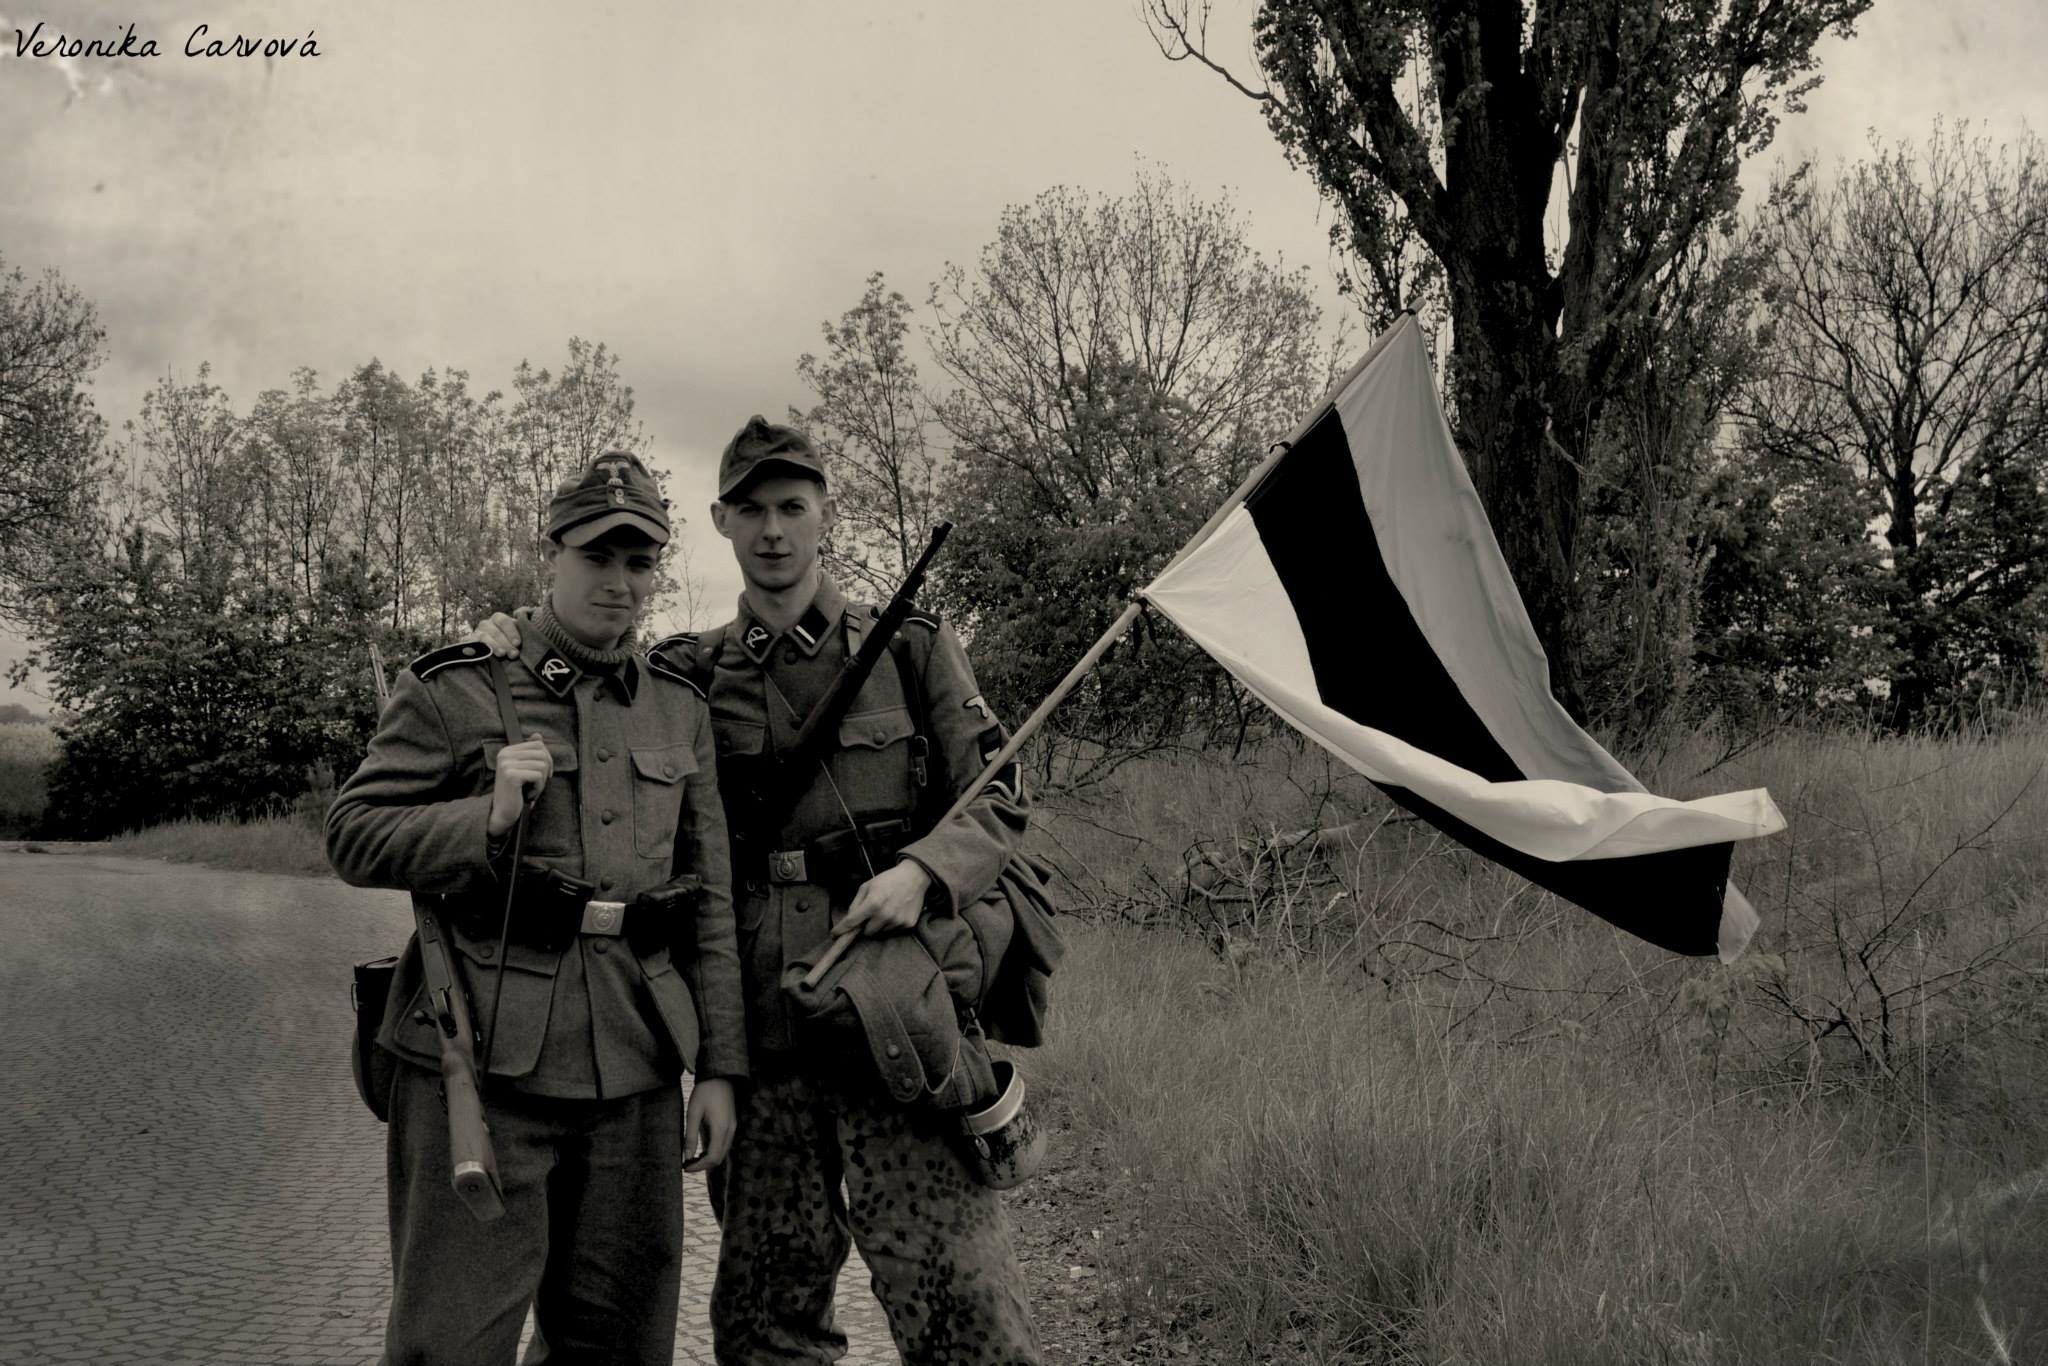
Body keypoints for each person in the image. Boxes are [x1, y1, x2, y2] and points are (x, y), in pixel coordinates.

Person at [474, 418, 1042, 1364]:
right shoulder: (687, 673)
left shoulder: (909, 649)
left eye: (791, 507)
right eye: (751, 511)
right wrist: (504, 638)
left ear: (824, 514)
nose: (773, 530)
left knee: (966, 1312)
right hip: (764, 1029)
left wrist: (923, 871)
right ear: (720, 521)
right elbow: (575, 676)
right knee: (764, 1325)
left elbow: (1001, 795)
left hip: (899, 1012)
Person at [327, 451, 748, 1366]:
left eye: (640, 563)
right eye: (597, 557)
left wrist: (720, 1066)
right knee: (450, 1344)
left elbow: (709, 899)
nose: (620, 582)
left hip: (635, 1067)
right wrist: (481, 817)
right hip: (481, 1066)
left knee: (622, 1346)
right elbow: (353, 834)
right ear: (550, 552)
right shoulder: (455, 687)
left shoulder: (677, 708)